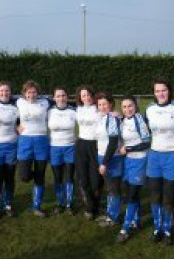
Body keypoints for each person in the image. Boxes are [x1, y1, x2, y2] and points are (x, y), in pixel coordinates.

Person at [145, 77, 174, 245]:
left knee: (168, 197)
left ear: (169, 91)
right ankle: (157, 228)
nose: (161, 93)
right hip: (154, 156)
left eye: (164, 90)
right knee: (155, 195)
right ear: (154, 92)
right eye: (157, 90)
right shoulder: (149, 109)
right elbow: (137, 122)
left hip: (172, 156)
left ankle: (167, 230)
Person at [116, 96, 151, 243]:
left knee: (131, 194)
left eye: (130, 106)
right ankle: (136, 220)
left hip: (140, 160)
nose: (127, 109)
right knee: (130, 191)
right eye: (124, 107)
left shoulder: (139, 119)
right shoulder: (123, 121)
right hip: (128, 161)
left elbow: (146, 142)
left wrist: (129, 148)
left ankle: (125, 229)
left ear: (135, 106)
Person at [16, 80, 52, 217]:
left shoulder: (46, 102)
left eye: (34, 92)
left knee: (40, 176)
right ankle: (33, 177)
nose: (31, 94)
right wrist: (16, 126)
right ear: (24, 93)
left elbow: (66, 103)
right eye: (29, 92)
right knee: (24, 176)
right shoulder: (18, 102)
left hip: (41, 141)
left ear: (38, 92)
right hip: (25, 142)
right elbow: (6, 110)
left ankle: (36, 206)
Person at [0, 81, 20, 219]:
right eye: (1, 91)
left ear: (10, 92)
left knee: (9, 178)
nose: (4, 93)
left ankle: (8, 205)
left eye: (7, 90)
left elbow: (21, 126)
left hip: (11, 147)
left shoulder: (16, 108)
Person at [94, 91, 124, 228]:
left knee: (114, 188)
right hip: (103, 156)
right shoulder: (102, 118)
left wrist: (105, 163)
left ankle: (114, 217)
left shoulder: (112, 119)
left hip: (113, 158)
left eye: (105, 104)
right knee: (110, 187)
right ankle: (110, 214)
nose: (102, 107)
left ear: (111, 104)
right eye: (99, 104)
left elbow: (112, 143)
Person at [75, 85, 103, 220]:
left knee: (96, 180)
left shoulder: (98, 108)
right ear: (80, 97)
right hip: (81, 145)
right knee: (83, 178)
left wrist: (117, 114)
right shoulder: (78, 109)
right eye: (83, 95)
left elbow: (110, 112)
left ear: (93, 95)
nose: (86, 98)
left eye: (88, 94)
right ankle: (90, 208)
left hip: (95, 145)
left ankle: (94, 204)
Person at [47, 86, 76, 215]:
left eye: (63, 95)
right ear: (54, 98)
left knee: (69, 177)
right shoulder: (49, 111)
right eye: (58, 96)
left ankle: (69, 204)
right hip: (54, 148)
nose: (61, 98)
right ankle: (60, 203)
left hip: (70, 147)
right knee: (58, 177)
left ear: (67, 97)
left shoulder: (74, 111)